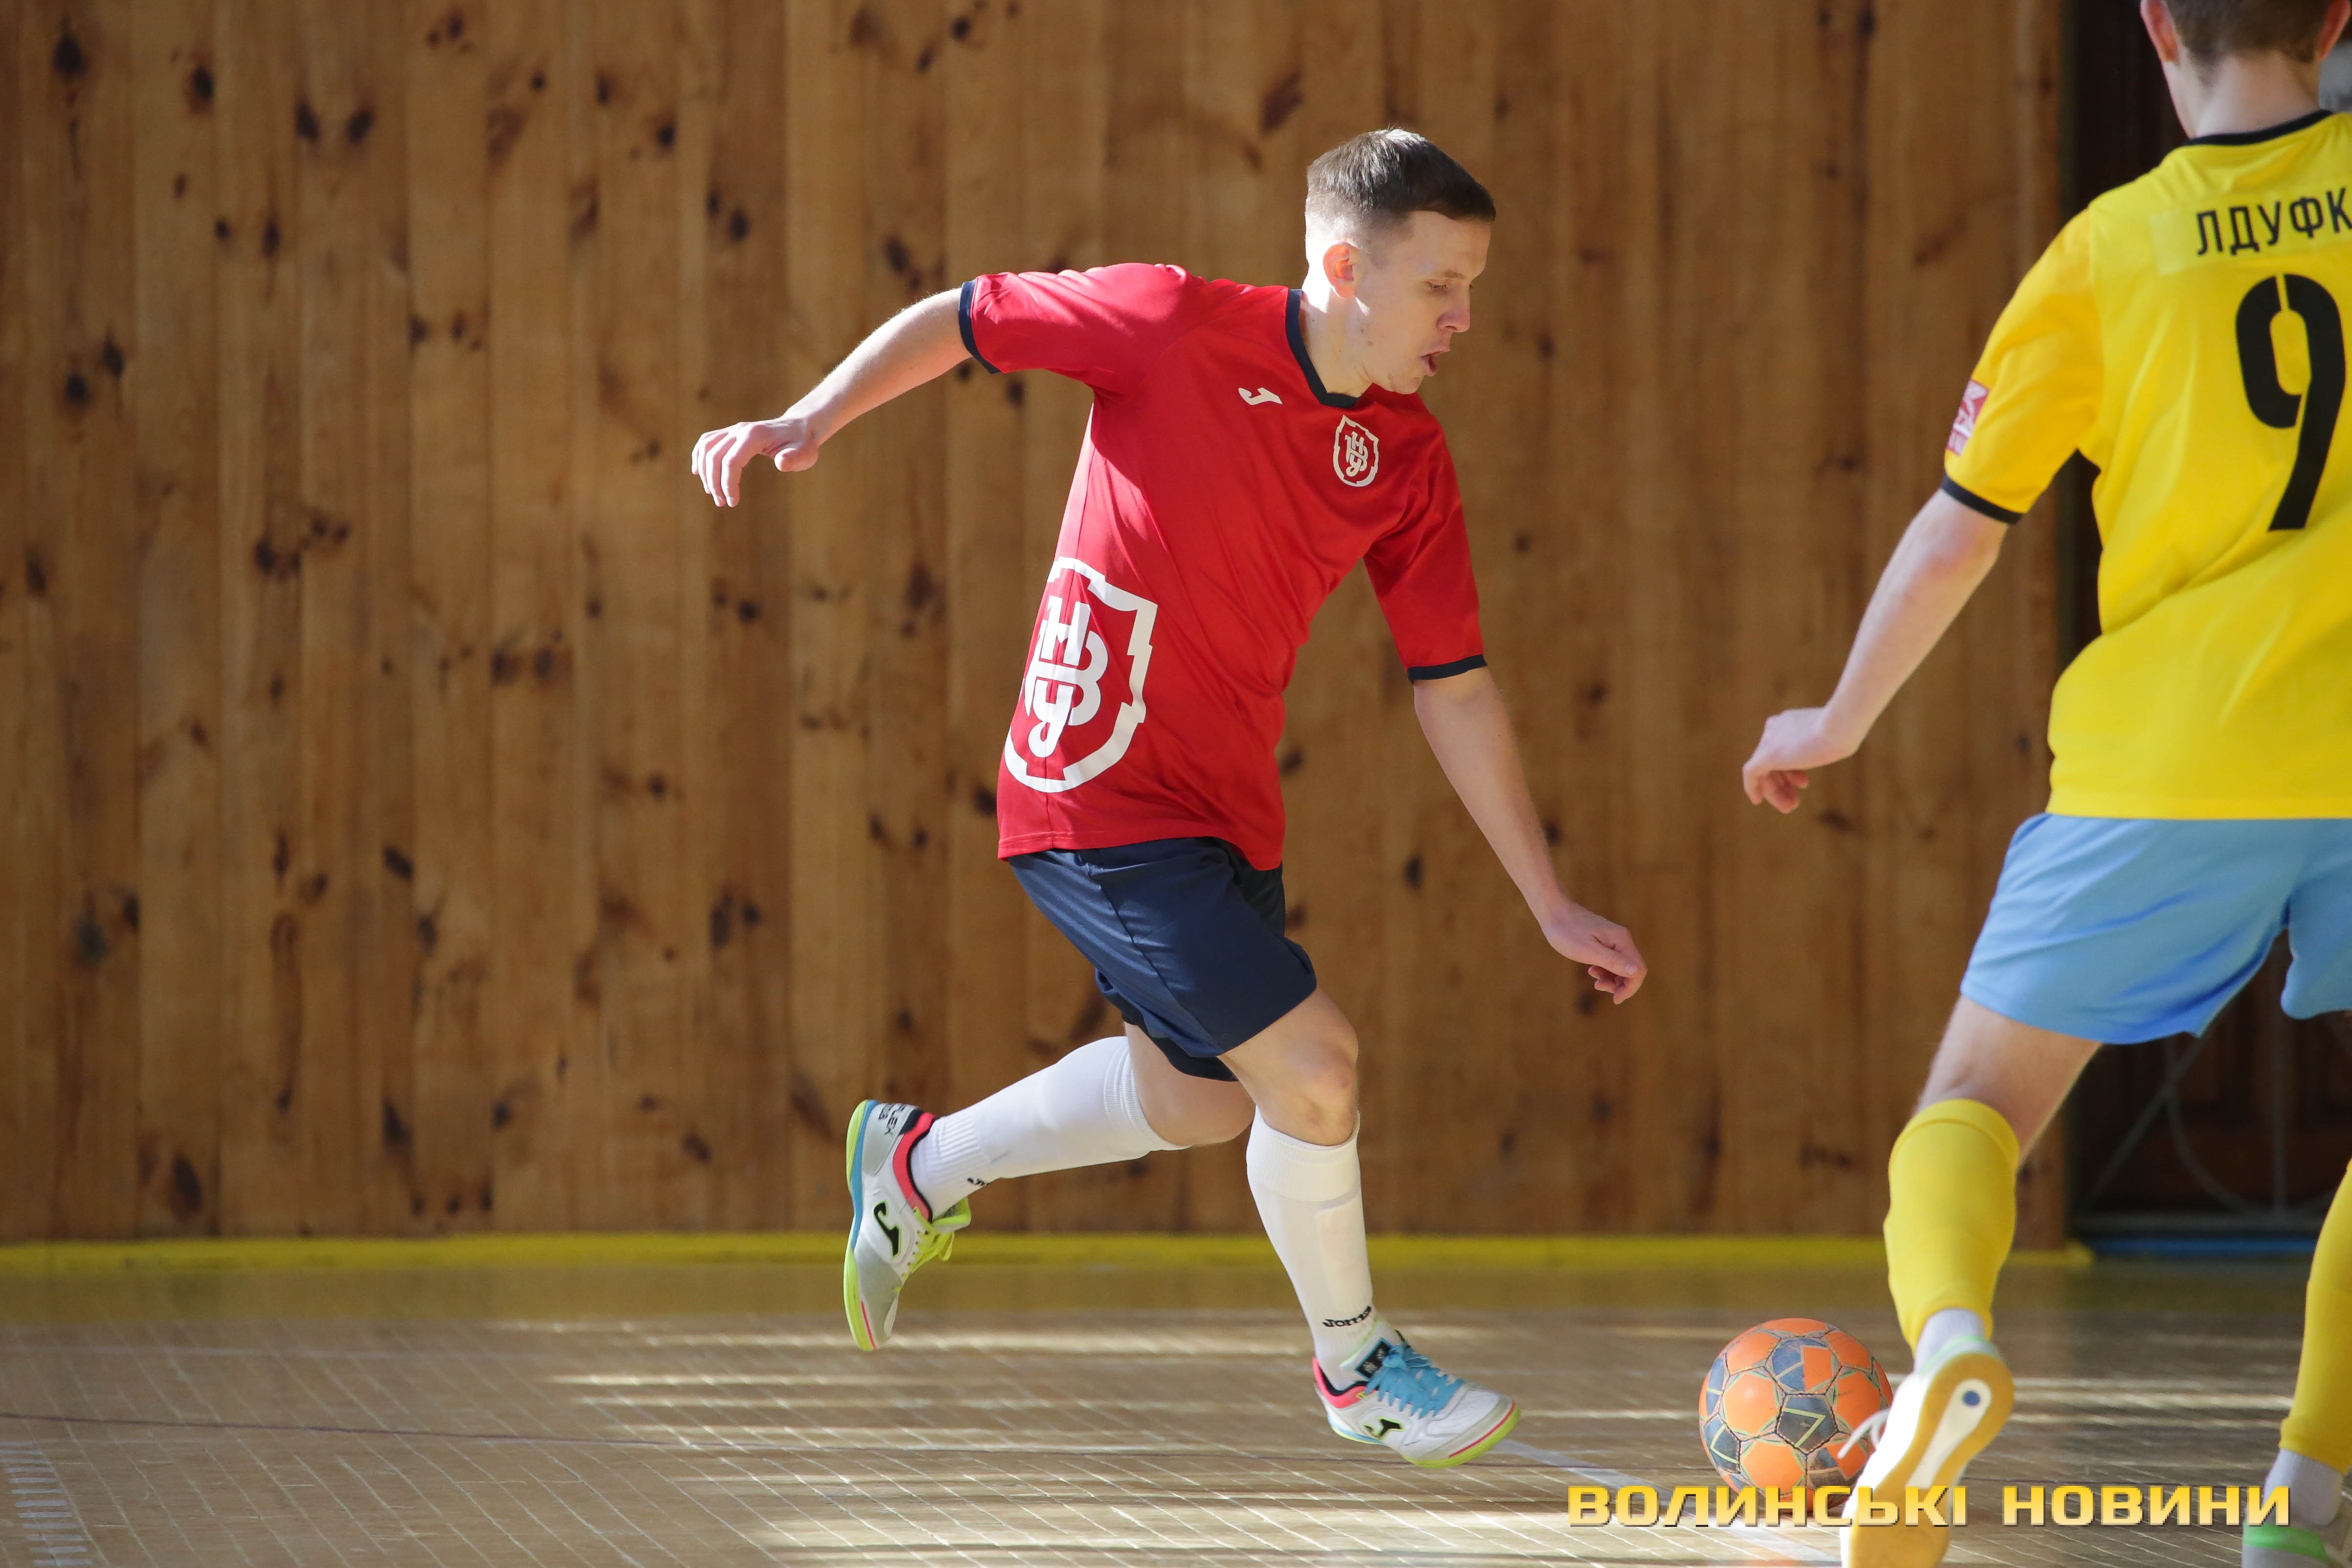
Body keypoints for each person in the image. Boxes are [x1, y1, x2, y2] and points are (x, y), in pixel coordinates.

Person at [693, 129, 1647, 1468]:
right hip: (1093, 788)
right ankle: (1358, 1367)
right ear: (1343, 270)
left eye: (1472, 288)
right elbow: (965, 317)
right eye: (1440, 286)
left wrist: (1546, 901)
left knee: (1201, 1099)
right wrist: (810, 418)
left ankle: (920, 1167)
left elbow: (1455, 686)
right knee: (1315, 1070)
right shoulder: (1168, 322)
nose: (1462, 319)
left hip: (1222, 812)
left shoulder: (1407, 457)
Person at [1742, 1, 2352, 1562]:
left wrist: (1836, 718)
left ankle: (1950, 1348)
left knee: (1975, 1104)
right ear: (2336, 21)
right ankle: (2300, 1499)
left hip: (2170, 754)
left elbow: (1960, 531)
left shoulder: (2102, 251)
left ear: (2154, 25)